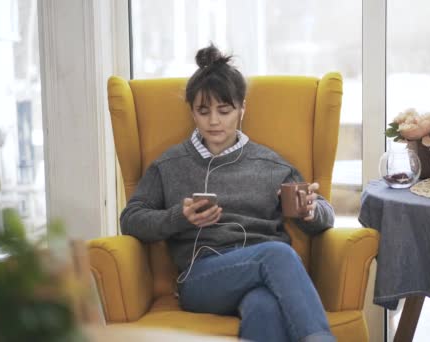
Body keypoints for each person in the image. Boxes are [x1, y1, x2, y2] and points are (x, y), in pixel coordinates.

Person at [120, 44, 336, 342]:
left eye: (224, 110)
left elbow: (325, 215)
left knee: (265, 307)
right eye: (203, 111)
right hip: (202, 279)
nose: (214, 121)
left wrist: (310, 211)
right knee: (276, 255)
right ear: (192, 112)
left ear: (242, 109)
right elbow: (130, 219)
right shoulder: (169, 165)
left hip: (267, 272)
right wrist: (178, 217)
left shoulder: (271, 164)